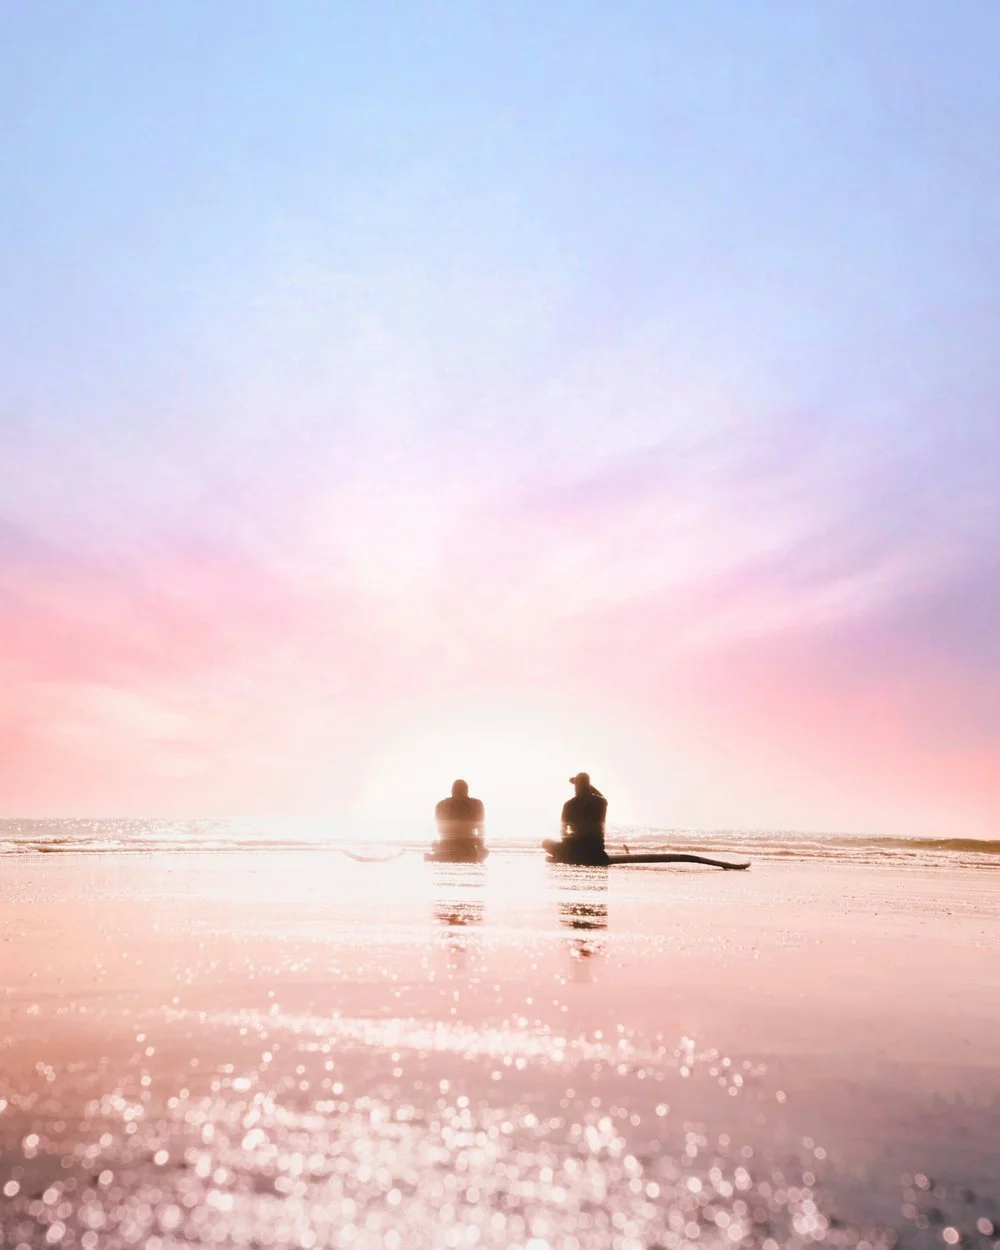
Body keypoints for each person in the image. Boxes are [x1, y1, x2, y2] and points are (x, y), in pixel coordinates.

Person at [543, 772, 609, 865]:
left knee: (546, 843)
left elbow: (563, 831)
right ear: (589, 785)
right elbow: (601, 796)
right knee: (569, 848)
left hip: (575, 849)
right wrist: (587, 785)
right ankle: (566, 856)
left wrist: (568, 846)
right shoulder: (601, 802)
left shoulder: (569, 805)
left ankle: (564, 856)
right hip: (597, 850)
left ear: (576, 786)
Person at [433, 779, 486, 854]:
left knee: (434, 844)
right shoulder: (476, 804)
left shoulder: (441, 805)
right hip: (468, 848)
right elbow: (481, 829)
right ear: (466, 791)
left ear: (452, 791)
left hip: (446, 847)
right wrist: (480, 845)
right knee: (484, 852)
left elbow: (440, 829)